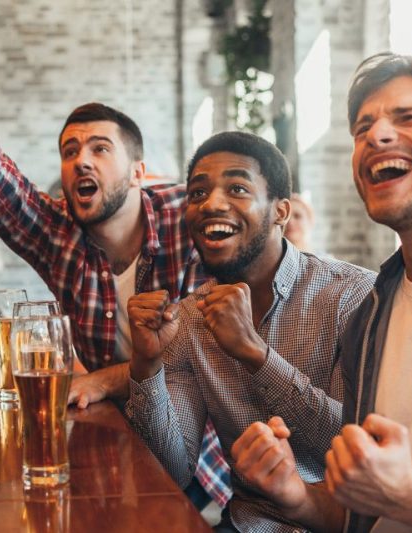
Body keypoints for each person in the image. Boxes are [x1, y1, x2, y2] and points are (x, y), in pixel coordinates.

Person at [0, 19, 230, 507]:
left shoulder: (190, 217)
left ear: (138, 173)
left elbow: (206, 351)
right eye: (70, 151)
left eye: (100, 149)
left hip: (207, 472)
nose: (81, 161)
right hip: (117, 450)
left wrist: (104, 378)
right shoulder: (58, 233)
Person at [232, 52, 412, 532]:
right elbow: (360, 514)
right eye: (362, 128)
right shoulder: (370, 318)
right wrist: (294, 494)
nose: (376, 135)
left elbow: (404, 500)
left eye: (409, 117)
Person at [124, 131, 375, 531]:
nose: (212, 204)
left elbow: (352, 447)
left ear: (281, 212)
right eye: (198, 193)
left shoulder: (353, 295)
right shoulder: (188, 319)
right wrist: (146, 363)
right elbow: (172, 470)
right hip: (248, 524)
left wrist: (255, 354)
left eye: (237, 188)